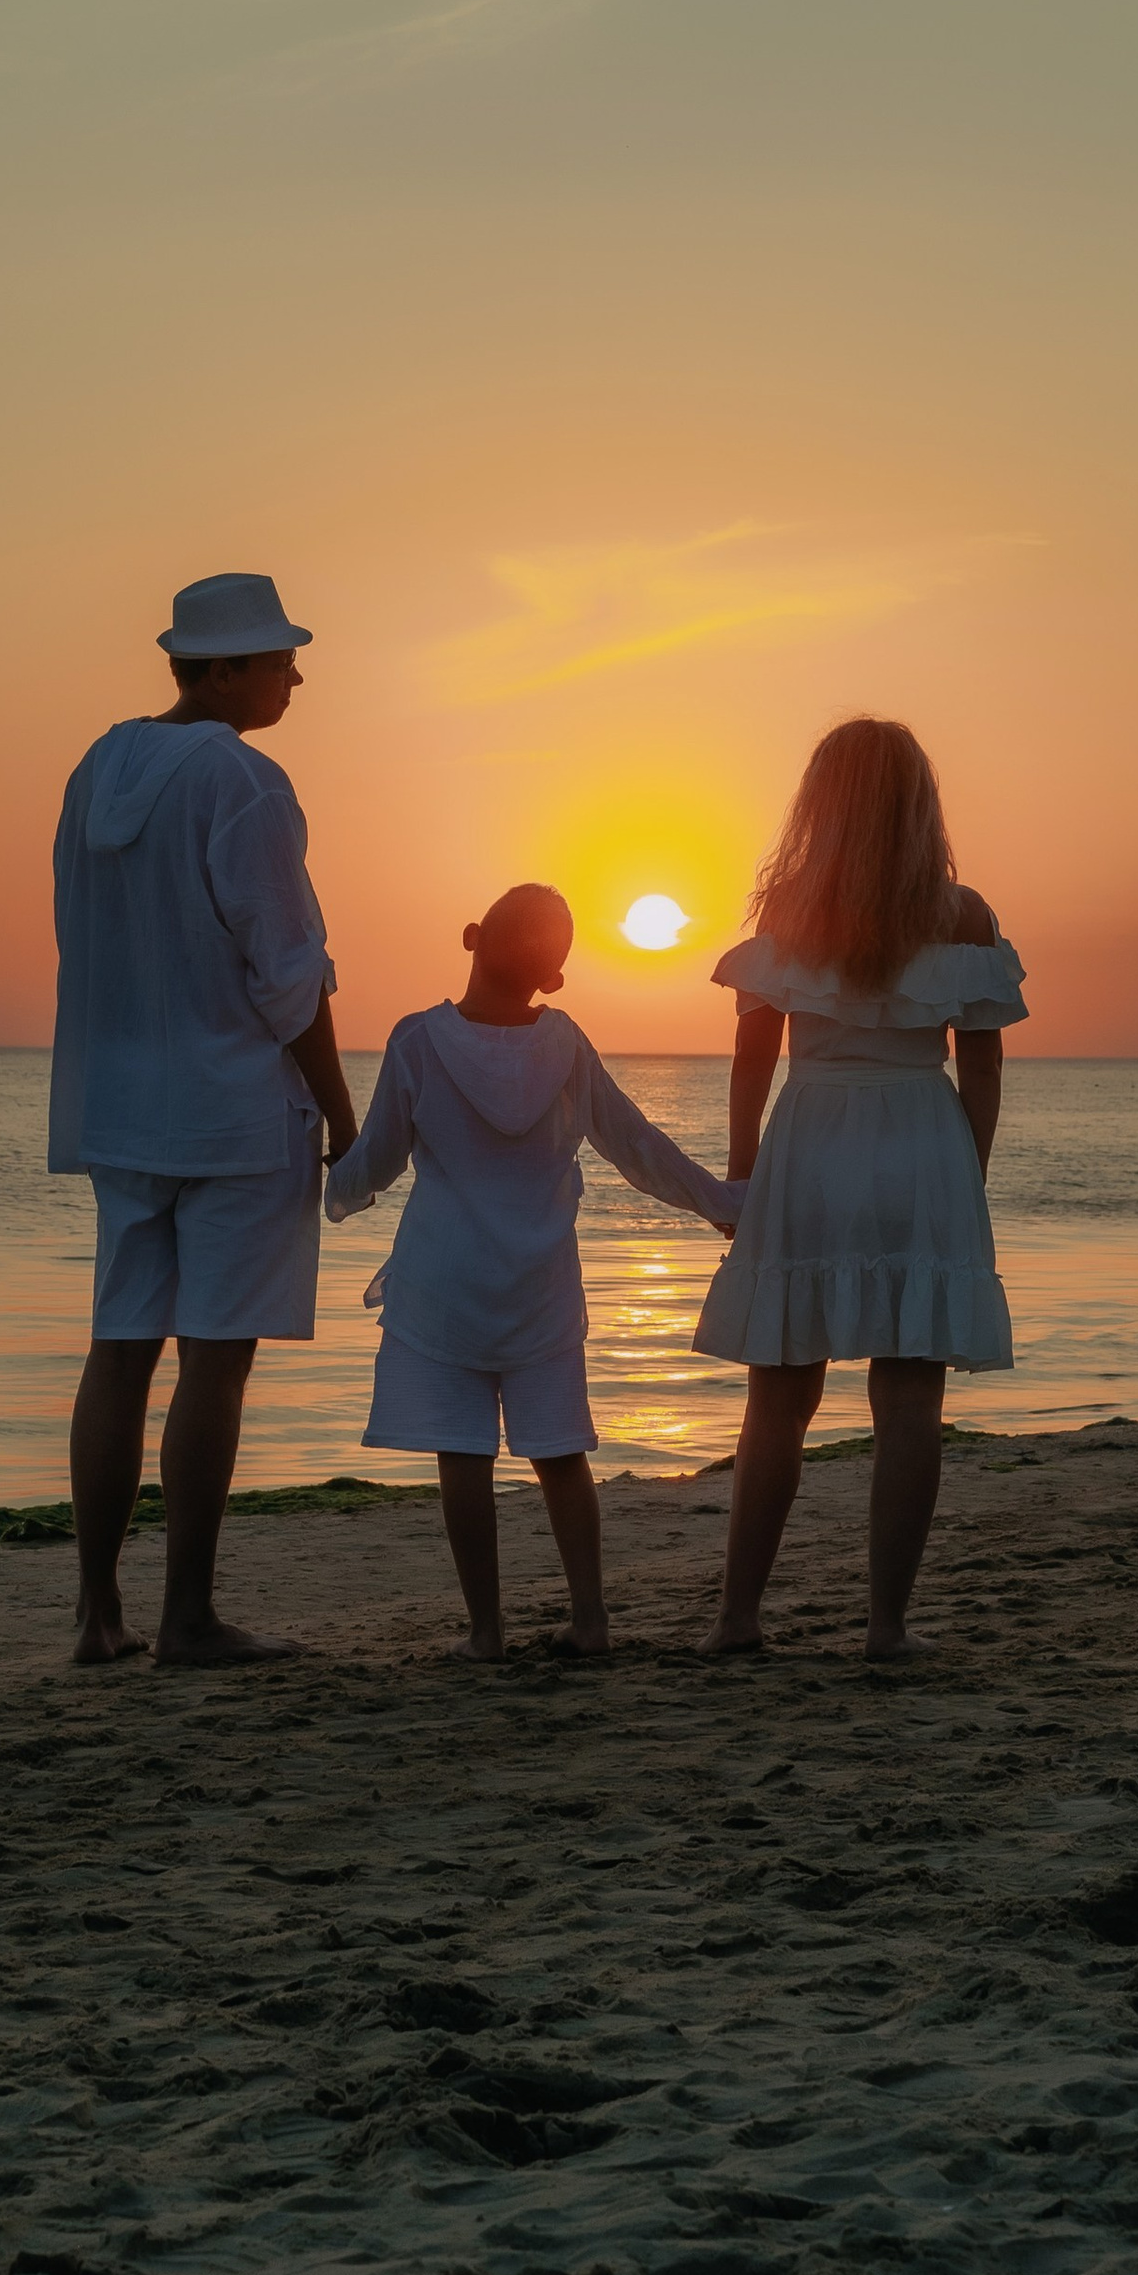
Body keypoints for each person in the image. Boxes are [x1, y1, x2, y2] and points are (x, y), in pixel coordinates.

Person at [49, 572, 358, 1668]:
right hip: (233, 1110)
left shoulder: (97, 768)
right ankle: (186, 1616)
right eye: (280, 661)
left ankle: (97, 1613)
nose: (295, 679)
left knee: (118, 1354)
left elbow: (79, 933)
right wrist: (342, 1113)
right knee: (214, 1366)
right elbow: (288, 973)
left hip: (122, 1102)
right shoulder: (244, 781)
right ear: (221, 669)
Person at [327, 884, 743, 1662]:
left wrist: (332, 1186)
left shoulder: (417, 1041)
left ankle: (486, 1633)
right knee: (559, 1456)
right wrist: (721, 1201)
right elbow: (637, 1147)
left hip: (444, 1283)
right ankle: (590, 1620)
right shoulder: (566, 1046)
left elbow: (377, 1160)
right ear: (552, 978)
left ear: (472, 936)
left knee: (463, 1456)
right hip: (540, 1285)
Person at [693, 718, 1026, 1662]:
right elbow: (983, 1068)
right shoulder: (963, 915)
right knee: (910, 1404)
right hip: (921, 1140)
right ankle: (886, 1626)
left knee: (778, 1398)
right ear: (920, 805)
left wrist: (742, 1177)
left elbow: (751, 1061)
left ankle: (737, 1618)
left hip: (813, 1138)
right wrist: (967, 1183)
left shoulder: (792, 906)